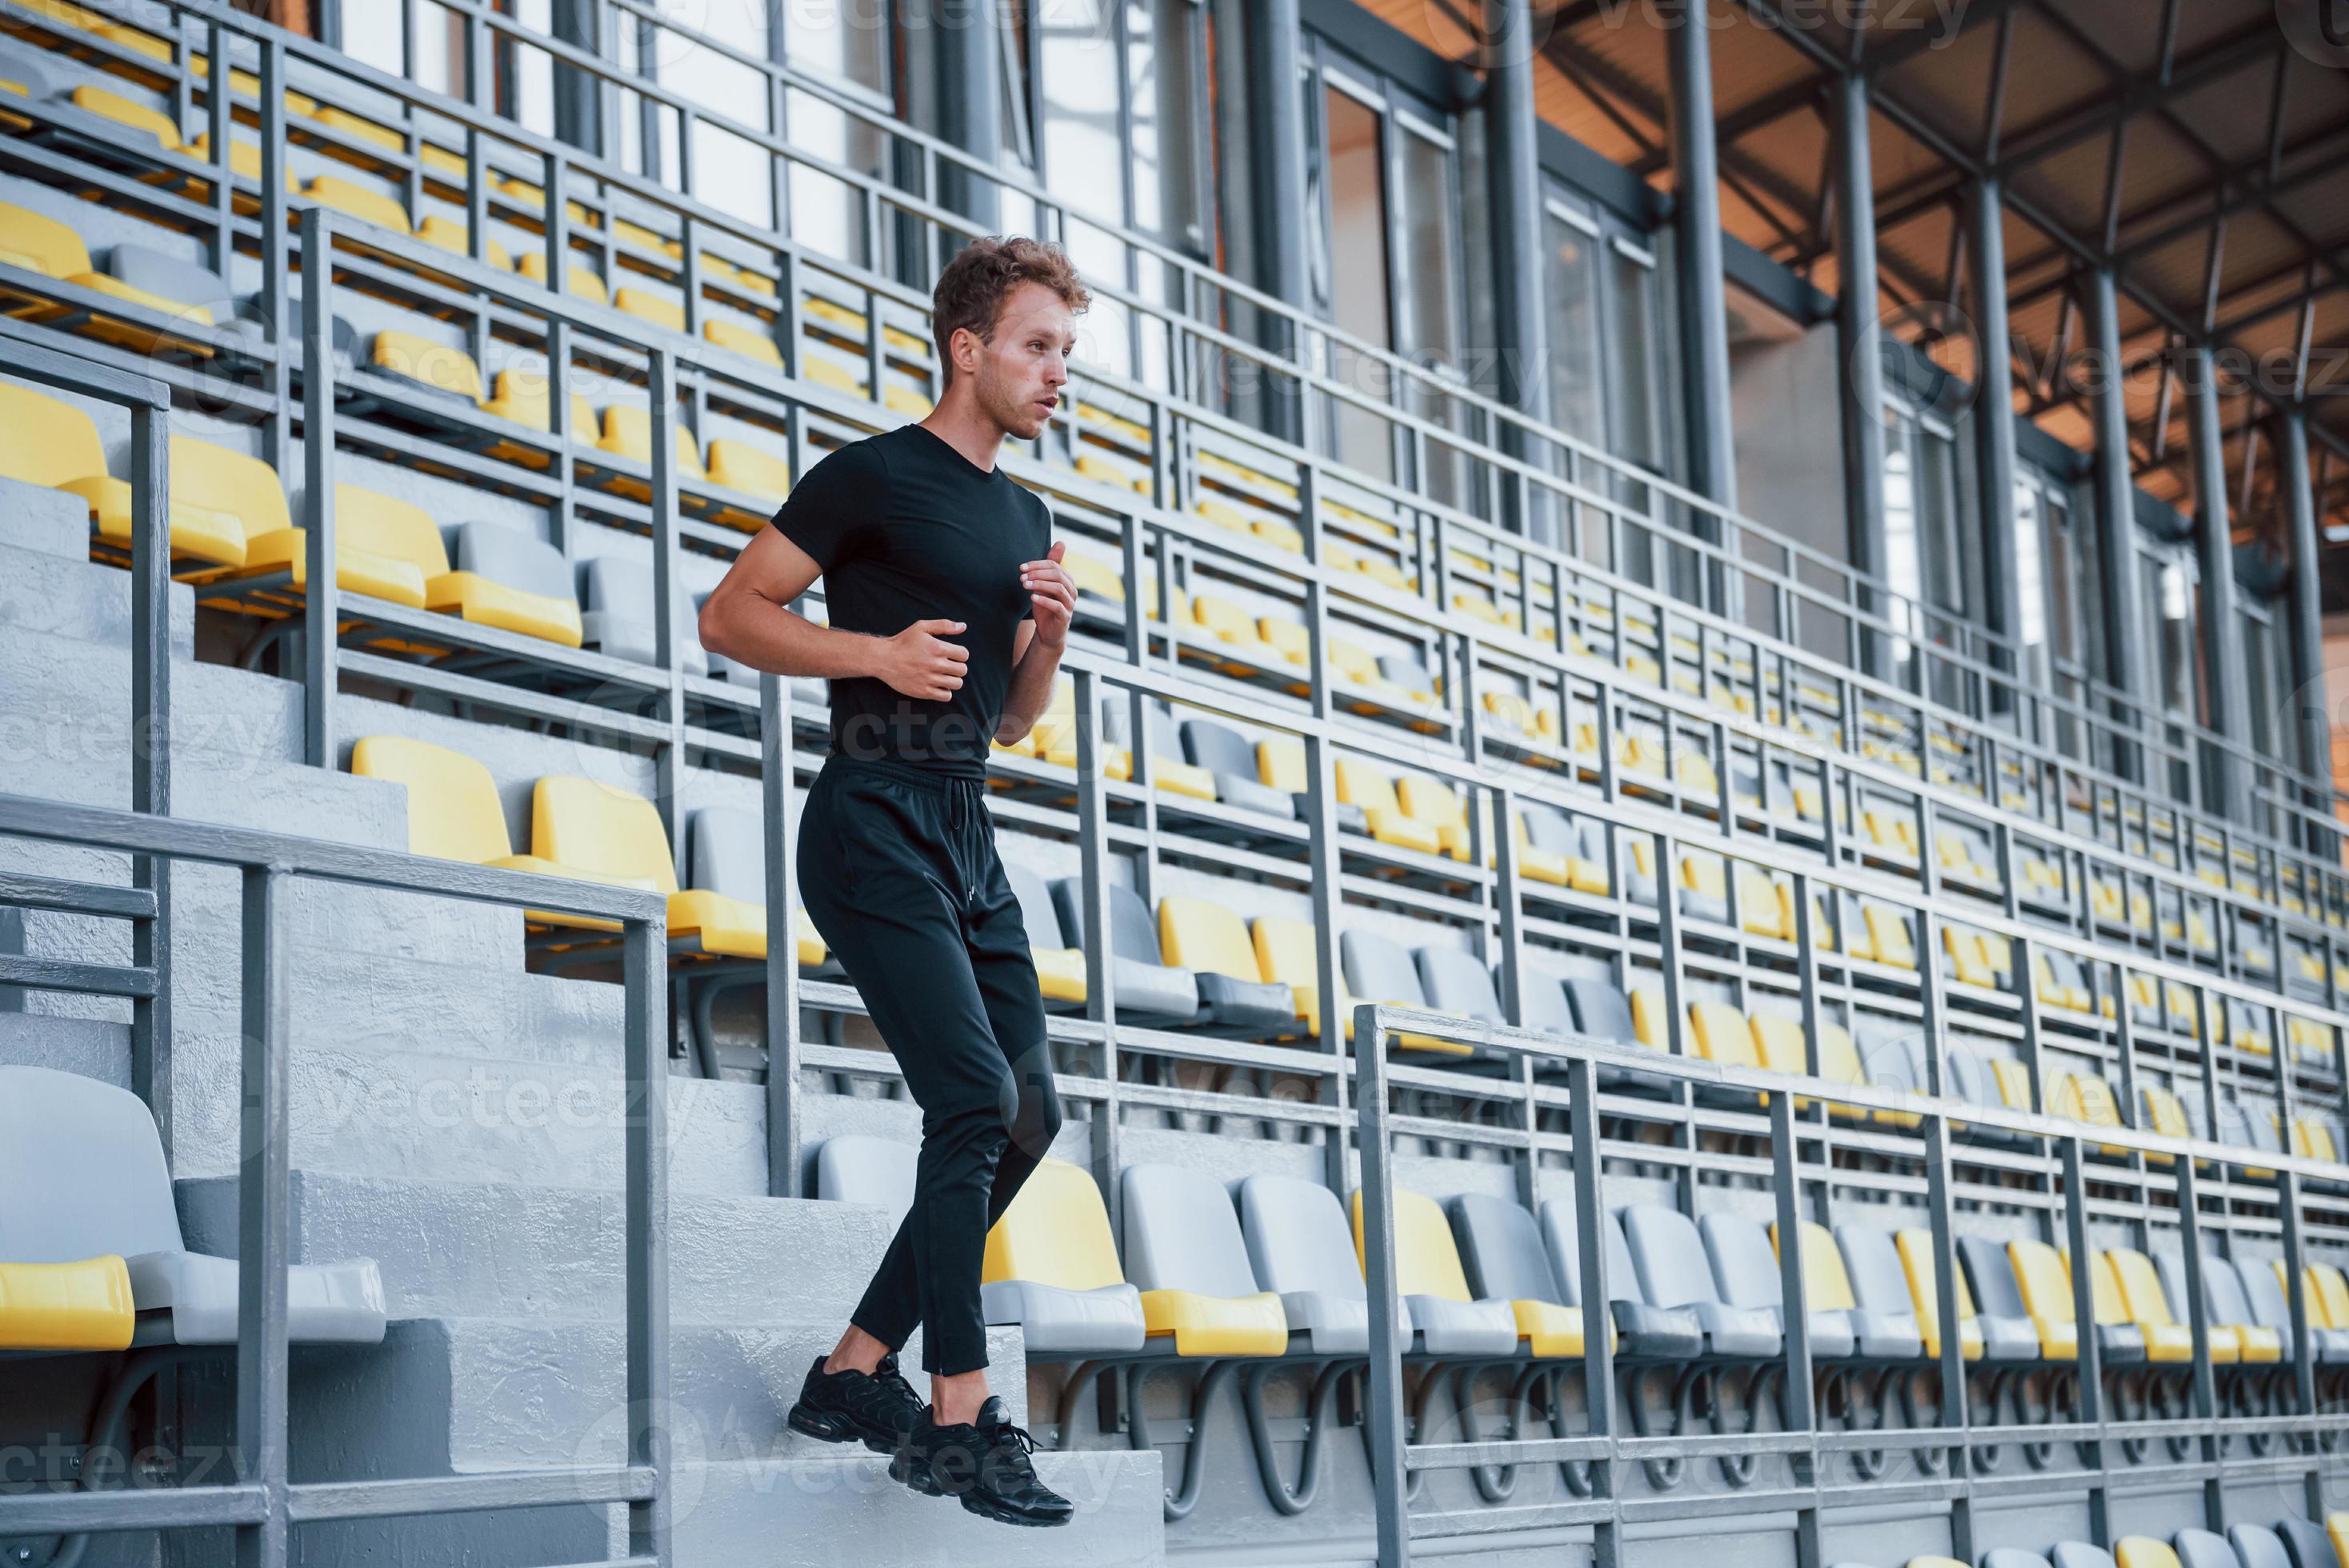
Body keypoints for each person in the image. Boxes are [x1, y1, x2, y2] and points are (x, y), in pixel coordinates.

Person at [698, 235, 1087, 1528]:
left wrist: (1044, 646)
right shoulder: (868, 474)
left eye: (1066, 354)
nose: (1055, 374)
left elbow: (1017, 724)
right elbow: (730, 612)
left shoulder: (1026, 515)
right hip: (868, 819)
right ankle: (957, 1423)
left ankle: (852, 1373)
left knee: (1027, 1117)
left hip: (965, 825)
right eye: (1037, 347)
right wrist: (869, 650)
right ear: (968, 347)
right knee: (972, 1095)